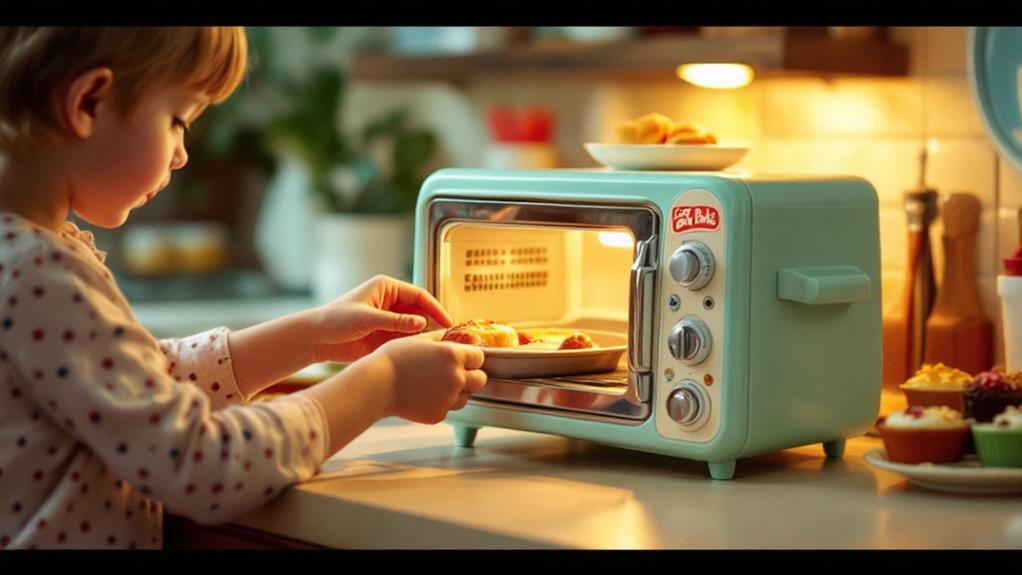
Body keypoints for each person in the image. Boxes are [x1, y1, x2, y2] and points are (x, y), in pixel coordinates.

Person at [0, 26, 486, 549]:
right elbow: (201, 467)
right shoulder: (39, 274)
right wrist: (382, 385)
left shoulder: (30, 256)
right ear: (88, 102)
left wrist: (312, 336)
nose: (182, 153)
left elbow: (137, 383)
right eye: (178, 120)